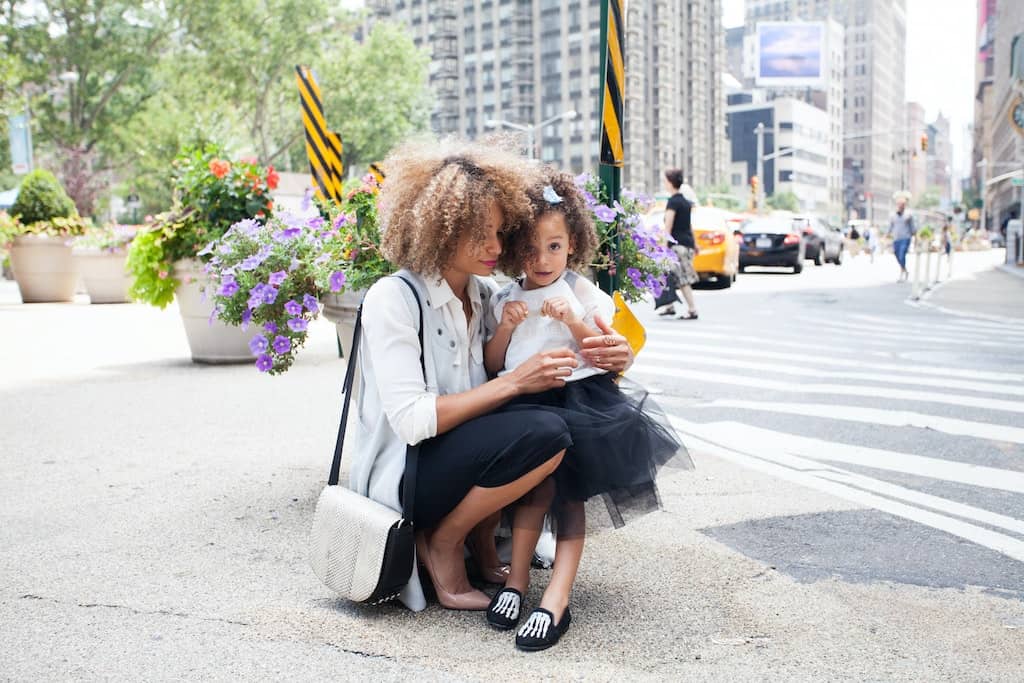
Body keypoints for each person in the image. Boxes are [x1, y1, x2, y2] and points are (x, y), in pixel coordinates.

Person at [349, 139, 636, 615]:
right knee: (545, 431)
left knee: (550, 428)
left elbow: (566, 343)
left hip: (464, 460)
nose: (497, 248)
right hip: (408, 471)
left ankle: (483, 547)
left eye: (502, 234)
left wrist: (618, 354)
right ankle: (443, 541)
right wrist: (516, 382)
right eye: (481, 234)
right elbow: (413, 421)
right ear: (440, 231)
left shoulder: (487, 296)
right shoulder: (393, 298)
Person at [483, 168, 689, 651]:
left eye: (553, 247)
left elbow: (602, 349)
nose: (542, 259)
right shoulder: (506, 297)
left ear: (572, 243)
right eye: (531, 249)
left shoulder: (583, 293)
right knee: (530, 495)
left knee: (568, 498)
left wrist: (573, 321)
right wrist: (507, 329)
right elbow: (495, 363)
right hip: (523, 402)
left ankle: (557, 595)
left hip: (579, 403)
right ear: (516, 250)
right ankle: (516, 583)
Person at [661, 168, 699, 319]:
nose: (664, 184)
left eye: (665, 181)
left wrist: (664, 247)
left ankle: (692, 309)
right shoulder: (685, 202)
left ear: (670, 183)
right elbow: (689, 226)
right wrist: (695, 244)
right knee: (668, 275)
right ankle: (669, 305)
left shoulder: (673, 202)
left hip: (677, 246)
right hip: (687, 244)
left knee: (682, 278)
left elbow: (668, 227)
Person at [888, 193, 916, 281]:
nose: (901, 206)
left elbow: (912, 227)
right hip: (896, 238)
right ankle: (905, 270)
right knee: (896, 254)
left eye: (903, 204)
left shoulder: (908, 215)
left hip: (906, 237)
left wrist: (915, 237)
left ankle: (902, 272)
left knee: (902, 254)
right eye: (899, 204)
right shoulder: (892, 215)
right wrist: (887, 235)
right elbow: (890, 226)